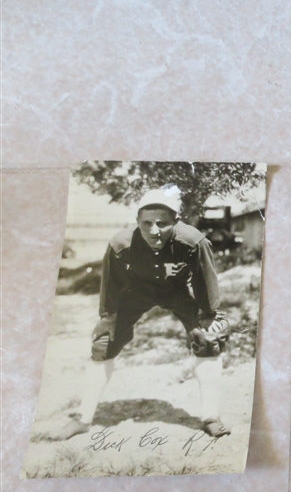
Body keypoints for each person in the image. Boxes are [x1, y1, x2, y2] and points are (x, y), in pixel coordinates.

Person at [51, 187, 232, 441]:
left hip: (177, 291)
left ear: (176, 222)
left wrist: (209, 313)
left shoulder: (193, 241)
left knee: (209, 339)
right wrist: (108, 317)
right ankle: (83, 418)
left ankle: (210, 416)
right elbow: (111, 284)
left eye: (162, 223)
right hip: (136, 292)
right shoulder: (121, 243)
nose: (154, 230)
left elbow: (206, 280)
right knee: (103, 342)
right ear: (137, 222)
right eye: (146, 223)